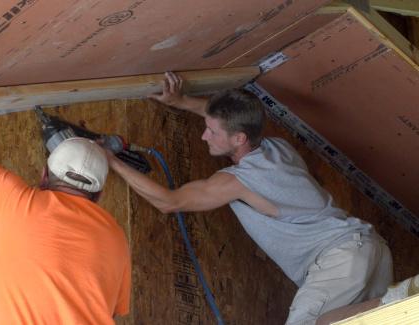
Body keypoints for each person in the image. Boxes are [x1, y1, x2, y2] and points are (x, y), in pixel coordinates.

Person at [106, 72, 406, 324]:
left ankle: (401, 298)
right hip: (368, 246)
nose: (203, 137)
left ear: (238, 139)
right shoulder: (277, 148)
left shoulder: (238, 181)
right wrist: (182, 102)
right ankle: (396, 303)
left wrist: (112, 162)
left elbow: (168, 202)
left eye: (211, 132)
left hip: (341, 258)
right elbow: (232, 121)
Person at [0, 87, 131, 324]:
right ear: (98, 195)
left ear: (44, 175)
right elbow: (108, 310)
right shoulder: (116, 238)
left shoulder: (15, 202)